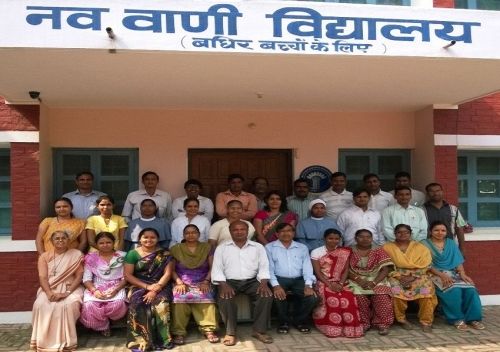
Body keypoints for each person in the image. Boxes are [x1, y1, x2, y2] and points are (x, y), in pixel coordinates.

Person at [211, 221, 274, 346]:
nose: (239, 232)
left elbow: (264, 266)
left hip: (252, 281)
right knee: (225, 298)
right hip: (229, 282)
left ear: (247, 231)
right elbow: (217, 269)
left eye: (242, 229)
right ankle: (230, 332)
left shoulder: (258, 247)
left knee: (265, 295)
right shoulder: (222, 247)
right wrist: (223, 285)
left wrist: (263, 283)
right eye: (235, 229)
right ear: (230, 231)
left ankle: (259, 330)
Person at [423, 221, 484, 331]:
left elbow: (457, 261)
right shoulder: (424, 244)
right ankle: (456, 319)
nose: (440, 233)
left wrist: (463, 274)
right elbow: (426, 264)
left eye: (443, 230)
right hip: (433, 273)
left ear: (446, 232)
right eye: (436, 230)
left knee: (470, 289)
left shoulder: (450, 243)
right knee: (454, 290)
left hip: (453, 273)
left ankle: (473, 319)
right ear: (430, 232)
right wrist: (442, 275)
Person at [30, 230, 84, 351]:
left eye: (63, 238)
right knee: (39, 304)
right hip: (50, 288)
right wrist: (49, 293)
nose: (60, 240)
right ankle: (42, 341)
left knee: (67, 306)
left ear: (68, 240)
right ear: (51, 241)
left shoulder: (76, 254)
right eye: (57, 238)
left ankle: (66, 342)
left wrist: (67, 292)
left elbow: (79, 276)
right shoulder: (44, 257)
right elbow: (42, 277)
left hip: (71, 288)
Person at [124, 228, 175, 351]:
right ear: (140, 239)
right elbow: (128, 275)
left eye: (152, 237)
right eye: (145, 237)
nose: (149, 240)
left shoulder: (165, 254)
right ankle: (140, 341)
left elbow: (167, 274)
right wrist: (147, 287)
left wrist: (155, 289)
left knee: (161, 305)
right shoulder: (132, 254)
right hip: (138, 285)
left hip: (161, 285)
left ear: (157, 239)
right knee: (137, 304)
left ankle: (163, 340)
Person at [170, 224, 219, 345]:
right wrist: (178, 282)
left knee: (206, 295)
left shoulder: (207, 248)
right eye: (187, 233)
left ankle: (208, 330)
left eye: (193, 232)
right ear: (183, 235)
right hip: (182, 282)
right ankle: (179, 332)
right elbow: (171, 269)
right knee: (178, 297)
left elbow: (213, 267)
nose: (190, 235)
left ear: (199, 234)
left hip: (203, 281)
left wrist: (206, 281)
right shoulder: (176, 249)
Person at [383, 224, 437, 332]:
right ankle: (401, 319)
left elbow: (427, 265)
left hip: (418, 275)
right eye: (399, 232)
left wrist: (413, 276)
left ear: (410, 234)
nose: (403, 234)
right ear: (394, 234)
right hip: (396, 275)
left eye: (406, 232)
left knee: (426, 292)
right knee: (396, 291)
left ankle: (426, 321)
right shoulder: (387, 247)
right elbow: (384, 266)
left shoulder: (420, 247)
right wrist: (399, 276)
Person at [266, 223, 318, 334]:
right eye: (282, 231)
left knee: (312, 297)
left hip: (299, 279)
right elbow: (269, 269)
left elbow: (307, 268)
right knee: (278, 295)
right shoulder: (269, 247)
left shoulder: (302, 248)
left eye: (289, 230)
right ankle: (283, 322)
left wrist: (308, 285)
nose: (286, 233)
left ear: (293, 233)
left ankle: (299, 321)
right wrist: (275, 286)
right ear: (277, 234)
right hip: (279, 279)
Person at [311, 229, 364, 338]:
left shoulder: (344, 251)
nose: (333, 241)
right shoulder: (316, 252)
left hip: (340, 281)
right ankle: (331, 328)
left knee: (348, 296)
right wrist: (329, 284)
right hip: (322, 281)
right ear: (324, 239)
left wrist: (340, 283)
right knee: (331, 298)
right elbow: (317, 273)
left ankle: (349, 328)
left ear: (340, 240)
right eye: (330, 238)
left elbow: (345, 270)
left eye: (336, 239)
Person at [347, 229, 394, 335]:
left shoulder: (379, 250)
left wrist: (374, 282)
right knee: (358, 296)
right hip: (356, 279)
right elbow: (345, 269)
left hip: (377, 278)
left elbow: (385, 269)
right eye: (361, 237)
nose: (365, 239)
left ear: (372, 238)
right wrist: (359, 280)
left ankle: (383, 324)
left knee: (382, 295)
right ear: (355, 238)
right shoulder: (349, 250)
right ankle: (363, 323)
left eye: (368, 237)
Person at [80, 232, 127, 336]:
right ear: (96, 244)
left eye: (108, 242)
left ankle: (109, 319)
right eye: (101, 243)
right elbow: (86, 279)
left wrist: (116, 290)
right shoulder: (90, 257)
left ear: (114, 243)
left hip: (117, 285)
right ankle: (103, 326)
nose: (105, 245)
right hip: (96, 285)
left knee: (118, 303)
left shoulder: (122, 256)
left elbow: (126, 277)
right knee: (89, 305)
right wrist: (94, 291)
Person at [423, 182, 467, 255]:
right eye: (432, 191)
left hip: (450, 246)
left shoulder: (453, 209)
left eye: (438, 191)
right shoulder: (421, 210)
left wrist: (462, 249)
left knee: (453, 266)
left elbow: (459, 228)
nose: (435, 193)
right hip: (428, 247)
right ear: (427, 194)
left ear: (442, 192)